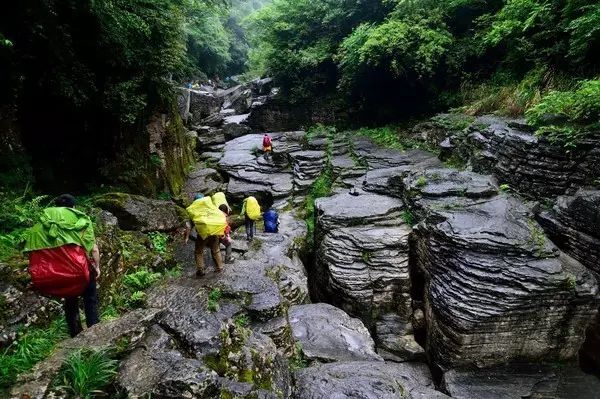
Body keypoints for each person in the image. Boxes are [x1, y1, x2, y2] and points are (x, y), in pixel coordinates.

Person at [25, 194, 100, 338]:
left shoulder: (40, 224)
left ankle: (75, 333)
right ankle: (95, 332)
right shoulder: (79, 219)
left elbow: (31, 253)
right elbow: (94, 248)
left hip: (52, 275)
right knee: (90, 296)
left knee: (70, 299)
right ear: (73, 207)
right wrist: (97, 267)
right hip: (79, 272)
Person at [185, 193, 225, 277]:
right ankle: (219, 267)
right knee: (216, 249)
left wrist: (187, 237)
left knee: (199, 251)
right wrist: (222, 232)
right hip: (214, 232)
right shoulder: (211, 208)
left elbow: (188, 226)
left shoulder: (195, 211)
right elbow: (221, 217)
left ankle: (201, 270)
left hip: (203, 234)